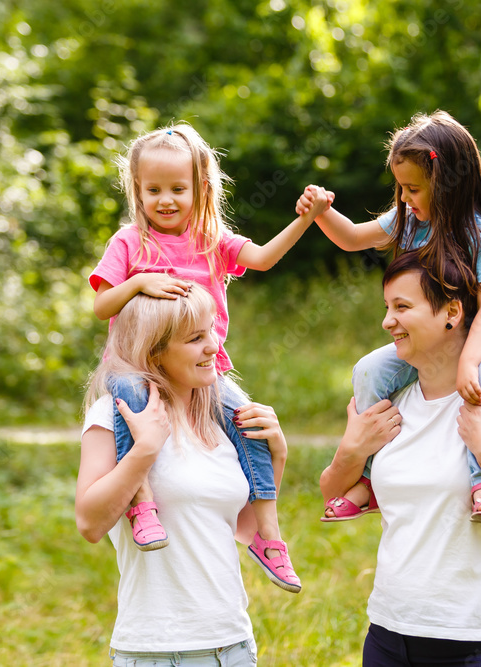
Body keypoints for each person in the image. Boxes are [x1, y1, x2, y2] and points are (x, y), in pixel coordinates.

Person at [90, 122, 327, 591]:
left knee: (249, 421)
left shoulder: (211, 241)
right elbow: (101, 305)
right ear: (137, 190)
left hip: (205, 369)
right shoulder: (129, 242)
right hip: (135, 364)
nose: (165, 200)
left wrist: (305, 219)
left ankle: (267, 533)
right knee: (128, 402)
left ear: (200, 189)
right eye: (153, 189)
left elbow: (260, 258)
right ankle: (141, 504)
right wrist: (138, 283)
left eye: (178, 189)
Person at [319, 250, 481, 666]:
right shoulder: (388, 403)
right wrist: (352, 450)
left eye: (402, 307)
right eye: (386, 308)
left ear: (451, 311)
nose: (387, 322)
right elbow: (331, 492)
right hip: (389, 638)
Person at [298, 110, 481, 523]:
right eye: (401, 188)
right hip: (435, 337)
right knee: (369, 371)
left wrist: (470, 363)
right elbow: (351, 237)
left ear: (446, 186)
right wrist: (319, 211)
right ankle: (368, 480)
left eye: (413, 189)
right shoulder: (410, 222)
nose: (404, 198)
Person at [77, 285, 293, 665]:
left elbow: (242, 530)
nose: (213, 346)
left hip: (233, 647)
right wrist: (144, 449)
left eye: (211, 331)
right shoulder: (114, 415)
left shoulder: (221, 422)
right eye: (195, 338)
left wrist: (277, 455)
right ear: (154, 350)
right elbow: (90, 523)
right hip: (153, 651)